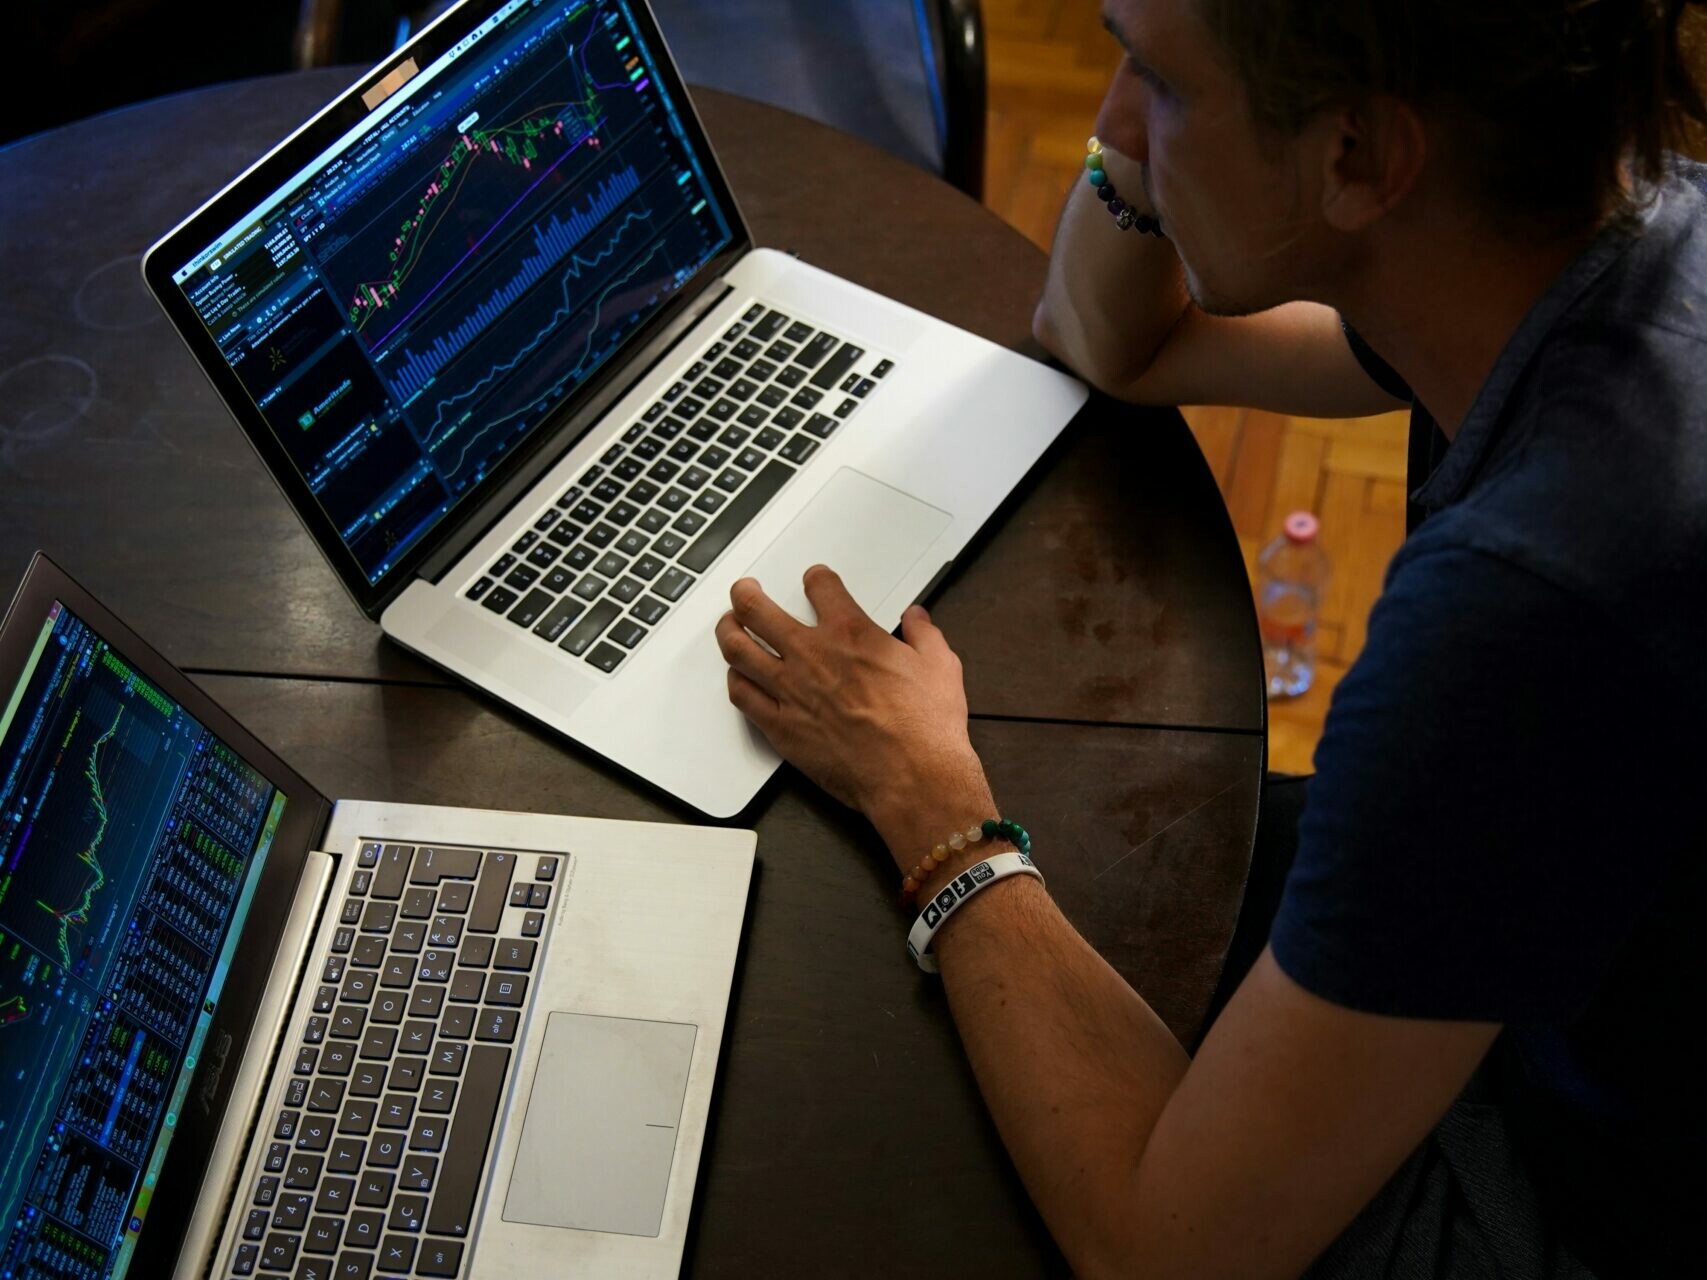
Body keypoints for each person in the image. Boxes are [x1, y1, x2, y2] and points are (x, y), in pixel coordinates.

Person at [712, 1, 1707, 1275]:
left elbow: (1162, 1247)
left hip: (1575, 1194)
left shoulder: (1525, 605)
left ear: (1356, 161)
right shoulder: (1600, 230)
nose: (1107, 125)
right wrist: (1159, 140)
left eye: (1158, 85)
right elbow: (1115, 341)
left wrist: (927, 799)